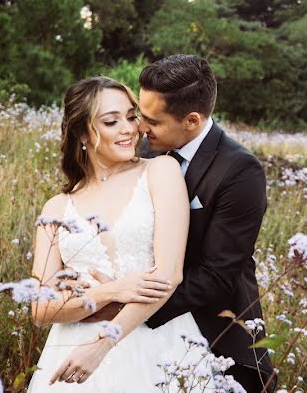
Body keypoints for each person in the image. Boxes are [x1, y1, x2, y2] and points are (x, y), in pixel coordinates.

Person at [88, 55, 276, 391]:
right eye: (139, 116)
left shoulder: (240, 171)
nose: (140, 128)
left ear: (192, 120)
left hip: (210, 331)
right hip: (127, 319)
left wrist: (130, 308)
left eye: (153, 121)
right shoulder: (141, 150)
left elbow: (218, 274)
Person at [27, 76, 204, 390]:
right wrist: (109, 292)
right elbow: (40, 310)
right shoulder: (56, 208)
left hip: (154, 342)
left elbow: (169, 274)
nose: (129, 128)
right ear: (82, 132)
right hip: (69, 352)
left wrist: (102, 343)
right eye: (112, 121)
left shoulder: (161, 171)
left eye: (131, 116)